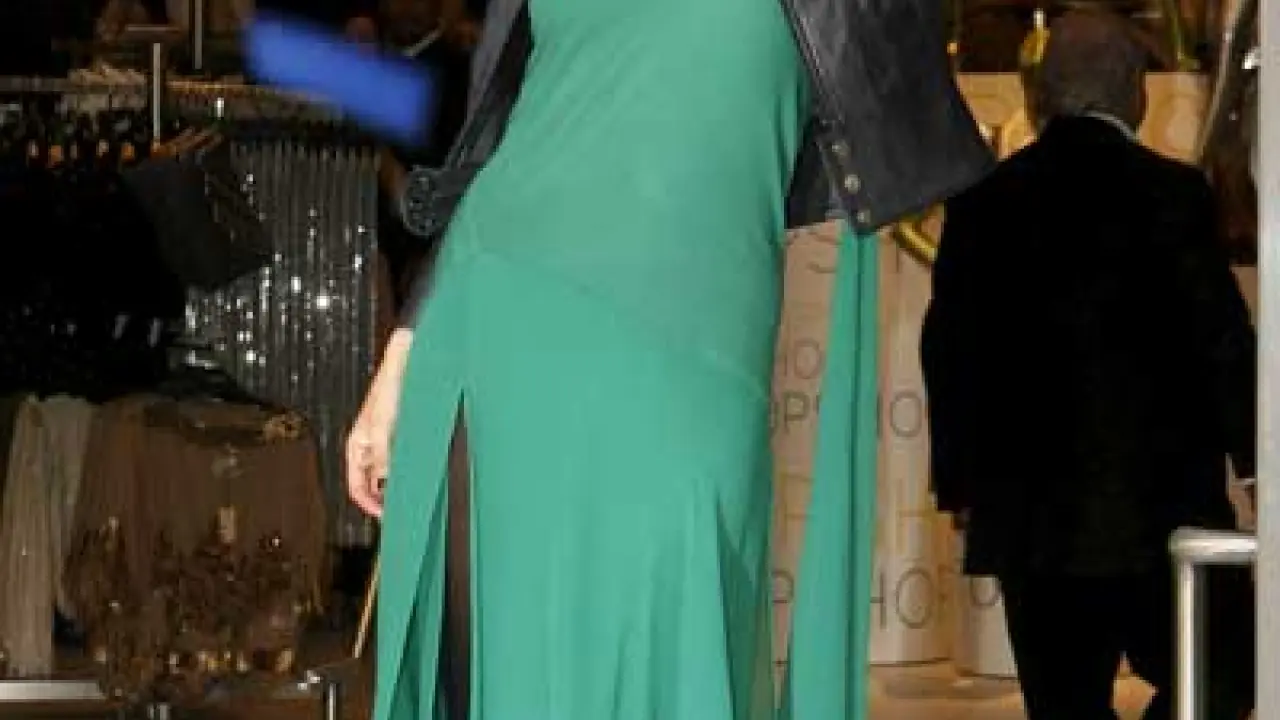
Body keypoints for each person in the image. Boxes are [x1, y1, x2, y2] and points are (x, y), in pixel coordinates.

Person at [345, 0, 993, 718]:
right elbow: (491, 141)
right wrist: (403, 349)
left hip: (694, 341)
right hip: (499, 302)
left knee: (681, 635)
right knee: (501, 667)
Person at [922, 11, 1256, 720]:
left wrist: (960, 482)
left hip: (1034, 522)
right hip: (1164, 512)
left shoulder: (984, 203)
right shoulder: (1175, 194)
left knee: (1064, 706)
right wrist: (1256, 462)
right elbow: (1222, 342)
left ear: (1038, 96)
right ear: (1136, 90)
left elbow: (948, 349)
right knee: (1220, 679)